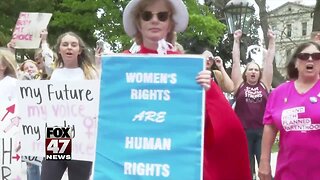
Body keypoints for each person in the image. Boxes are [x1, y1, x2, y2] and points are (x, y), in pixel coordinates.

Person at [122, 0, 251, 179]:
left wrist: (202, 95)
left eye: (162, 16)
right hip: (137, 162)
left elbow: (222, 128)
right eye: (146, 15)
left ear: (170, 24)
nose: (154, 20)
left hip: (175, 164)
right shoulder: (123, 66)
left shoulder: (188, 69)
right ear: (138, 22)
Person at [40, 32, 98, 180]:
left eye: (73, 44)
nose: (69, 47)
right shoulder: (55, 74)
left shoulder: (91, 73)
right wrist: (44, 41)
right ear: (59, 50)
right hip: (58, 133)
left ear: (80, 50)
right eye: (65, 44)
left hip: (82, 135)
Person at [258, 41, 320, 180]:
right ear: (296, 63)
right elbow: (270, 128)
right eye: (304, 56)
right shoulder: (278, 93)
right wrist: (264, 162)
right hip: (288, 172)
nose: (310, 59)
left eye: (316, 56)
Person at [231, 29, 276, 179]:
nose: (253, 72)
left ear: (259, 73)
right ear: (246, 73)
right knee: (245, 169)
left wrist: (272, 41)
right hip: (243, 132)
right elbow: (236, 61)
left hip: (262, 132)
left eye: (256, 70)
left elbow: (269, 61)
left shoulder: (264, 84)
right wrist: (236, 41)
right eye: (250, 69)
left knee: (265, 168)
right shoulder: (239, 85)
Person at [18, 59, 42, 180]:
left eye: (31, 67)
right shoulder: (20, 86)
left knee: (53, 165)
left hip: (49, 127)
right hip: (30, 130)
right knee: (32, 166)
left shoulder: (46, 80)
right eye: (26, 68)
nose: (29, 69)